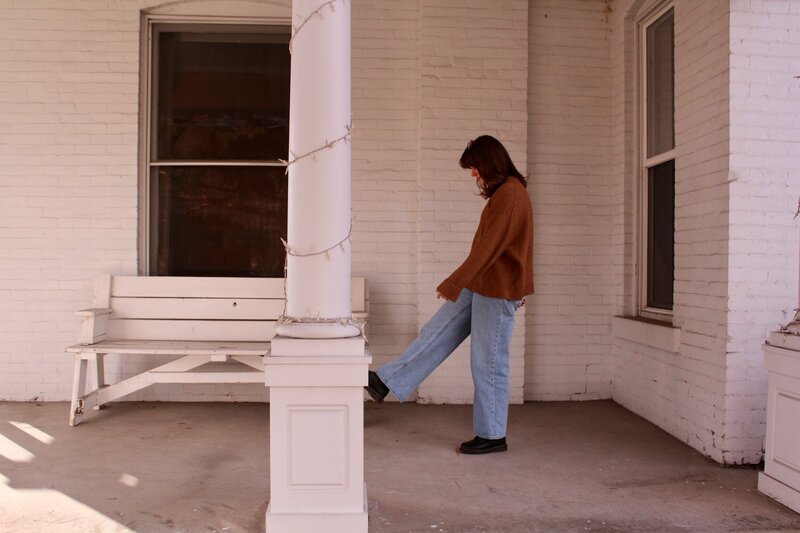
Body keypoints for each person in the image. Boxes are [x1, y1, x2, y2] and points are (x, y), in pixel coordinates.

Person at [365, 135, 534, 455]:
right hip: (482, 285)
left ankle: (493, 434)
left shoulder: (512, 193)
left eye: (475, 166)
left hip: (496, 291)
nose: (473, 173)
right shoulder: (504, 194)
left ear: (490, 162)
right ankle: (387, 381)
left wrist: (456, 282)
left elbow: (494, 248)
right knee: (437, 332)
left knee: (488, 363)